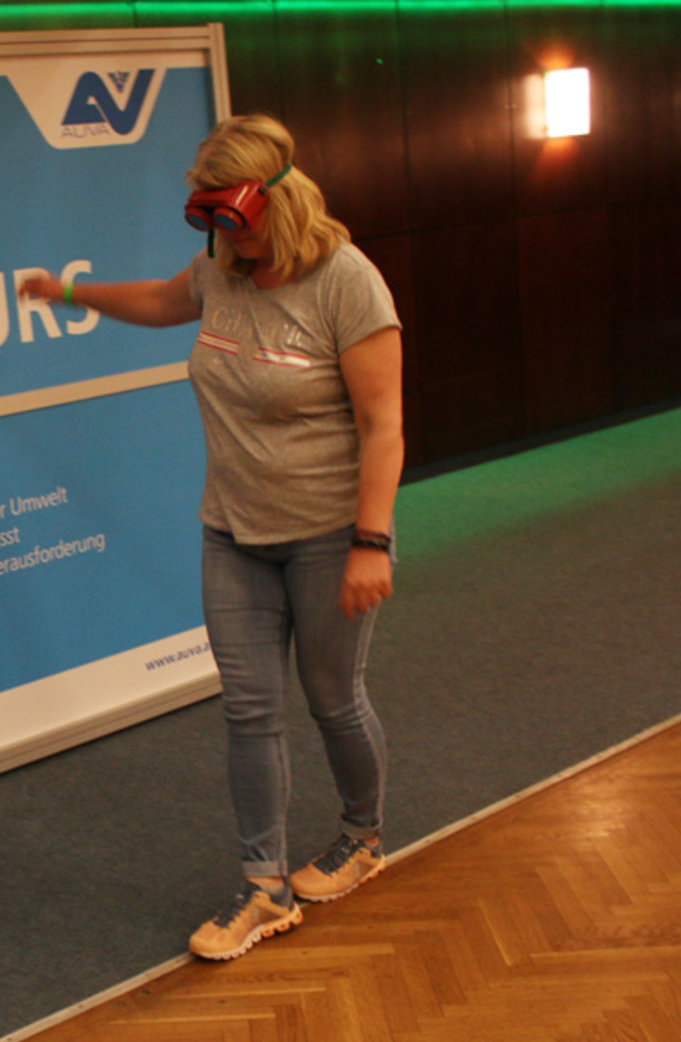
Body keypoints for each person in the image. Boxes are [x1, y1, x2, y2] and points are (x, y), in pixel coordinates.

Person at [20, 114, 403, 961]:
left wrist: (370, 542)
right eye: (210, 218)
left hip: (328, 534)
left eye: (235, 216)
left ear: (276, 200)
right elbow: (163, 301)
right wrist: (69, 294)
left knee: (333, 698)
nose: (227, 236)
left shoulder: (347, 284)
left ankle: (362, 836)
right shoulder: (221, 269)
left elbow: (384, 426)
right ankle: (264, 888)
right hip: (232, 531)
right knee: (248, 707)